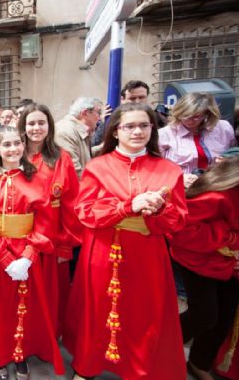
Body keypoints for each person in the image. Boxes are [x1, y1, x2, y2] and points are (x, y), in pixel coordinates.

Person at [64, 103, 187, 380]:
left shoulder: (168, 170)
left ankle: (138, 370)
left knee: (143, 316)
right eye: (129, 126)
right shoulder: (97, 167)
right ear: (116, 131)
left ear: (152, 129)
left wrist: (159, 210)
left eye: (144, 125)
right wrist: (127, 207)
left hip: (146, 255)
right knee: (96, 313)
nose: (137, 131)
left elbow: (178, 221)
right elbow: (84, 211)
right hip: (101, 252)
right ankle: (87, 366)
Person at [0, 126, 64, 379]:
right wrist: (2, 257)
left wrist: (29, 256)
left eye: (16, 143)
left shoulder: (39, 180)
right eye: (6, 145)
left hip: (27, 253)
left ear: (23, 146)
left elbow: (46, 221)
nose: (12, 149)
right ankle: (1, 354)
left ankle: (21, 353)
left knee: (26, 305)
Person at [17, 103, 82, 347]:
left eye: (41, 123)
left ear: (49, 126)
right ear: (23, 126)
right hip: (20, 234)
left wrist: (66, 246)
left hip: (52, 236)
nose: (36, 128)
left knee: (50, 291)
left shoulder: (61, 157)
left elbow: (71, 202)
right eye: (31, 123)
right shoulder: (14, 154)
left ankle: (46, 338)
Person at [169, 155, 239, 380]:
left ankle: (199, 362)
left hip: (228, 264)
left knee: (223, 318)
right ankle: (160, 347)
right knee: (205, 315)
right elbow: (181, 230)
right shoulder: (219, 194)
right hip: (201, 260)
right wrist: (228, 238)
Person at [159, 92, 235, 188]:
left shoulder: (223, 128)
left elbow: (234, 157)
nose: (188, 120)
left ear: (207, 113)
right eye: (184, 115)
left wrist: (226, 160)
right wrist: (178, 177)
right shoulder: (165, 134)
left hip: (217, 186)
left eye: (195, 117)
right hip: (182, 187)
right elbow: (155, 168)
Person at [55, 97, 103, 179]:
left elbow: (84, 156)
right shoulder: (65, 132)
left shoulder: (79, 129)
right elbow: (73, 171)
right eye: (98, 113)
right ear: (85, 113)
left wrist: (105, 146)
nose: (100, 118)